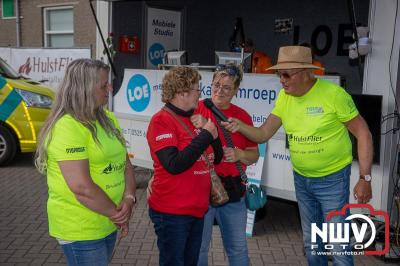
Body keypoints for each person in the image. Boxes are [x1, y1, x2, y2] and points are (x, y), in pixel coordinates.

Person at [222, 46, 373, 266]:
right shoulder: (285, 97)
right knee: (312, 245)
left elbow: (364, 134)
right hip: (302, 179)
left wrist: (364, 178)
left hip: (333, 180)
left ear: (305, 73)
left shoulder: (334, 95)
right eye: (278, 74)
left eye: (285, 74)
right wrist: (241, 126)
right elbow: (264, 133)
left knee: (338, 246)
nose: (281, 80)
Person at [34, 59, 137, 266]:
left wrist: (129, 198)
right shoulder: (67, 127)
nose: (110, 88)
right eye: (103, 85)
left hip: (108, 220)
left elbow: (125, 163)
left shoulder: (107, 118)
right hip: (81, 226)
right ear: (84, 88)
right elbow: (82, 187)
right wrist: (118, 215)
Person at [146, 66, 223, 266]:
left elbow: (217, 158)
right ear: (182, 92)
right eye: (198, 89)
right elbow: (174, 164)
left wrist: (210, 132)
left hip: (196, 210)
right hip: (172, 213)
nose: (200, 94)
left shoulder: (195, 116)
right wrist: (206, 134)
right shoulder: (161, 121)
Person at [192, 63, 260, 266]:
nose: (219, 91)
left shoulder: (243, 116)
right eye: (216, 85)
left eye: (226, 87)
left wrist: (239, 154)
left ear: (236, 90)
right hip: (200, 190)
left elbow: (254, 155)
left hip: (232, 192)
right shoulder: (196, 109)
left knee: (237, 250)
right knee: (198, 248)